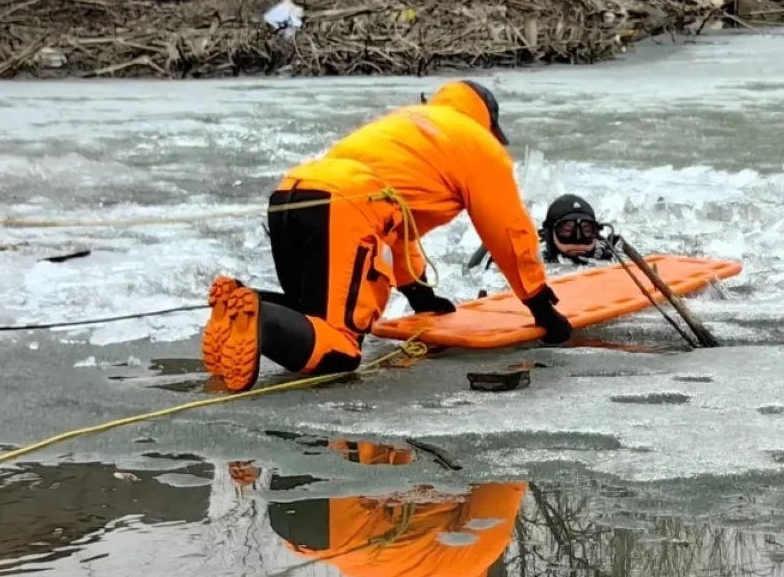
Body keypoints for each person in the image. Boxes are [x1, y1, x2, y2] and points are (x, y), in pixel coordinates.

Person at [202, 80, 573, 393]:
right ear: (488, 121)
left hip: (293, 191)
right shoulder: (477, 142)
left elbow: (397, 222)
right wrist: (539, 305)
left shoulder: (405, 125)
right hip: (346, 204)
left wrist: (419, 294)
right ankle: (261, 318)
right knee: (340, 349)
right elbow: (507, 229)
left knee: (310, 314)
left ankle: (240, 307)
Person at [229, 439, 526, 577]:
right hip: (300, 533)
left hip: (346, 516)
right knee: (298, 433)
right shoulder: (410, 572)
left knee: (330, 419)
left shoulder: (474, 561)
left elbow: (507, 469)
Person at [466, 193, 622, 272]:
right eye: (567, 230)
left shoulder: (610, 253)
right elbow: (475, 276)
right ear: (549, 234)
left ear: (597, 232)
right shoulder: (528, 257)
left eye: (587, 230)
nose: (578, 238)